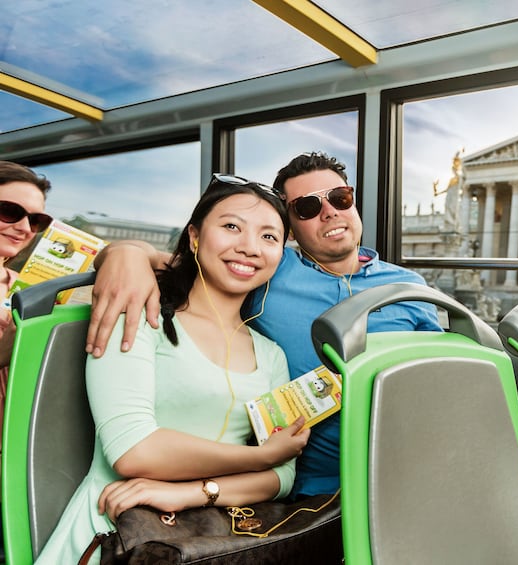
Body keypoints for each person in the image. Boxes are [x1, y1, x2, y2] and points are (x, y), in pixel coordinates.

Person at [86, 152, 441, 499]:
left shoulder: (408, 287)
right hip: (303, 494)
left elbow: (442, 378)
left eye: (340, 198)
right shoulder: (267, 266)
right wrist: (124, 254)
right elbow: (192, 263)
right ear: (291, 230)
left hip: (397, 481)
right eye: (307, 207)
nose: (330, 211)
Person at [37, 175, 311, 564]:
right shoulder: (138, 312)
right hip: (117, 534)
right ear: (195, 237)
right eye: (232, 226)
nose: (249, 247)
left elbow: (281, 479)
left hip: (212, 541)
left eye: (269, 237)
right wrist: (260, 457)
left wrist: (190, 493)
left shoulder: (271, 355)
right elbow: (134, 450)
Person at [0, 161, 53, 440]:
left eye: (36, 221)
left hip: (19, 446)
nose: (24, 228)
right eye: (9, 211)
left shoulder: (32, 289)